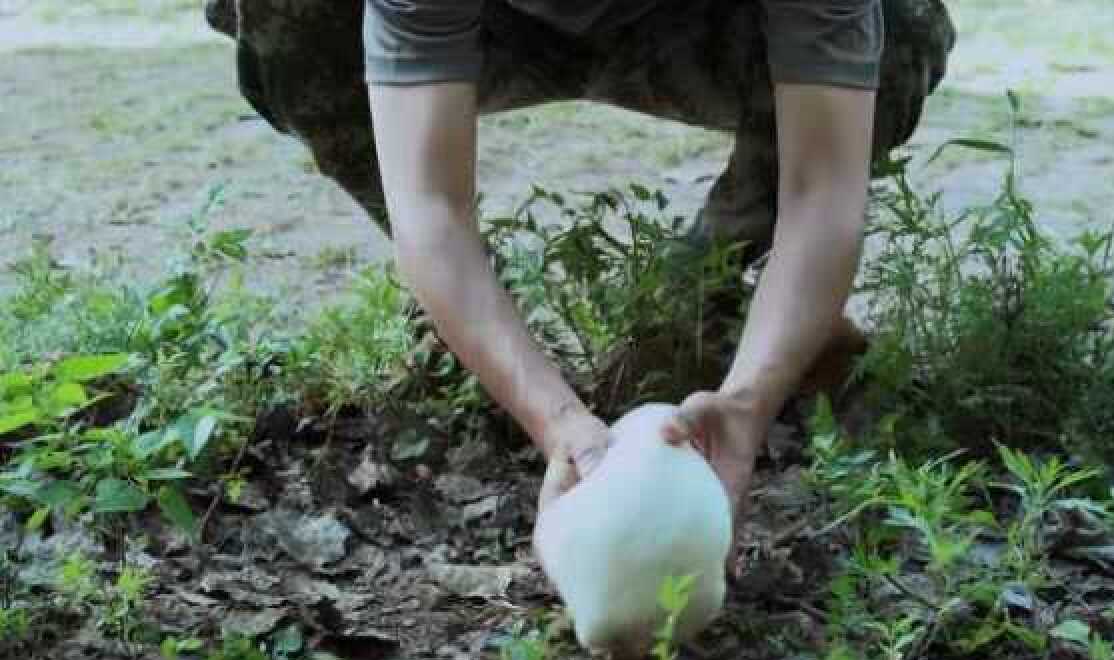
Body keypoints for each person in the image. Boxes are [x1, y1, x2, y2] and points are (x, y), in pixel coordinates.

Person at [205, 0, 954, 559]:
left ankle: (696, 306)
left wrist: (749, 401)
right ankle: (478, 325)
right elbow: (431, 206)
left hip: (701, 23)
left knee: (901, 32)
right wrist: (555, 420)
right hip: (496, 23)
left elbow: (822, 192)